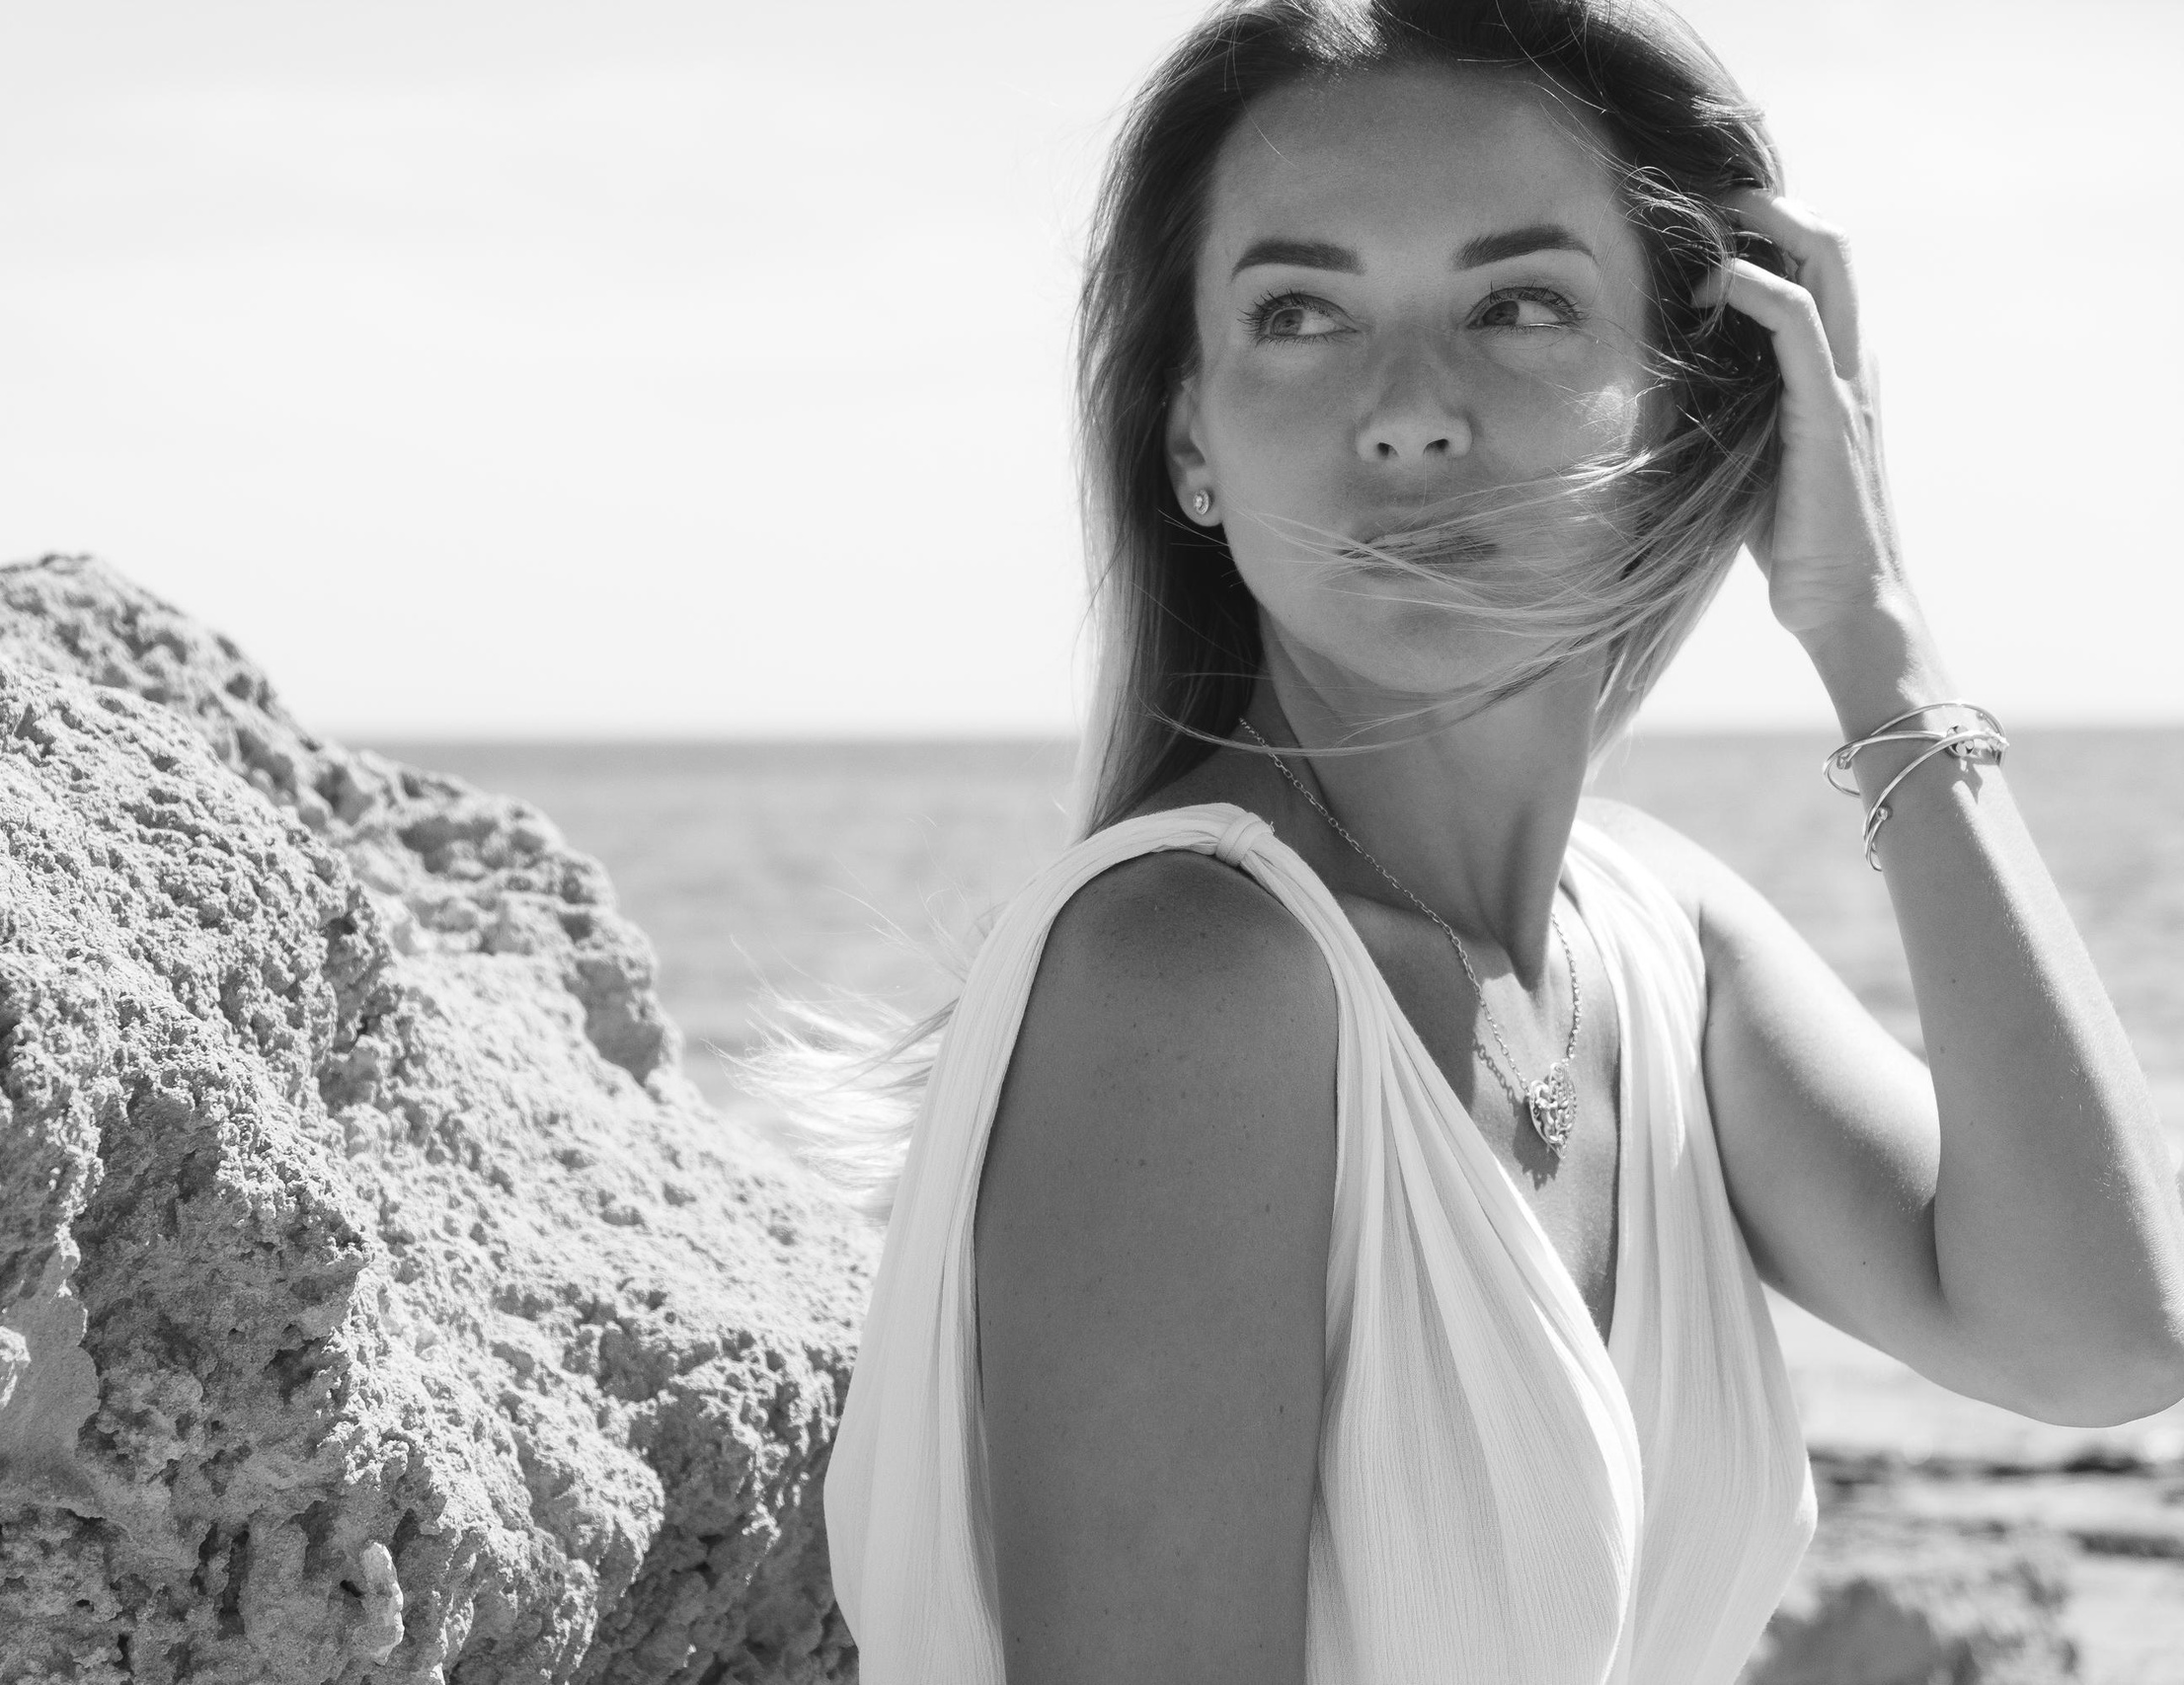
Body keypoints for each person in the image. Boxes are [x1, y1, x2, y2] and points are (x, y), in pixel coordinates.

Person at [746, 2, 2184, 1679]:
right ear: (1190, 437)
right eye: (1298, 312)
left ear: (1690, 406)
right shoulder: (1195, 977)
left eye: (1519, 304)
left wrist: (1876, 633)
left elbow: (2094, 1339)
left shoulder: (1658, 942)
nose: (1410, 411)